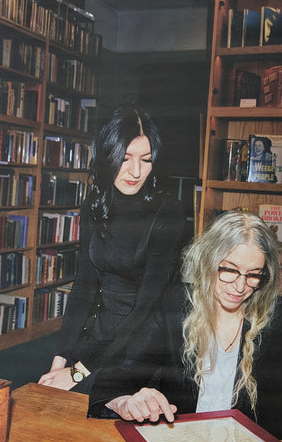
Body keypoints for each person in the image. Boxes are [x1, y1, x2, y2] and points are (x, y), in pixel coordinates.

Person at [91, 210, 282, 442]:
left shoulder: (281, 318)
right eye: (229, 270)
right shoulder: (171, 305)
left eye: (253, 275)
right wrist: (127, 401)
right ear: (208, 261)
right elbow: (112, 381)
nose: (240, 286)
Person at [38, 104, 186, 393]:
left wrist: (77, 373)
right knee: (50, 394)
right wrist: (60, 360)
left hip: (144, 341)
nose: (136, 171)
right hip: (102, 334)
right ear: (107, 156)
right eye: (125, 158)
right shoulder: (94, 205)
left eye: (146, 160)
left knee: (90, 396)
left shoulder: (168, 213)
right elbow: (83, 287)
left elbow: (145, 308)